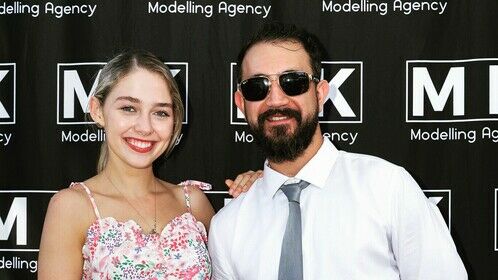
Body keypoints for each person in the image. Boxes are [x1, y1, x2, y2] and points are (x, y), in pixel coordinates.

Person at [208, 22, 468, 280]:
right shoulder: (228, 227)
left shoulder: (388, 188)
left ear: (320, 94)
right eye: (257, 86)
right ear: (241, 103)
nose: (276, 100)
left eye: (293, 82)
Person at [37, 50, 255, 279]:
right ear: (98, 111)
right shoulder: (72, 207)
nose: (145, 127)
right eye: (129, 108)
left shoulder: (193, 202)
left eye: (160, 112)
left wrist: (264, 184)